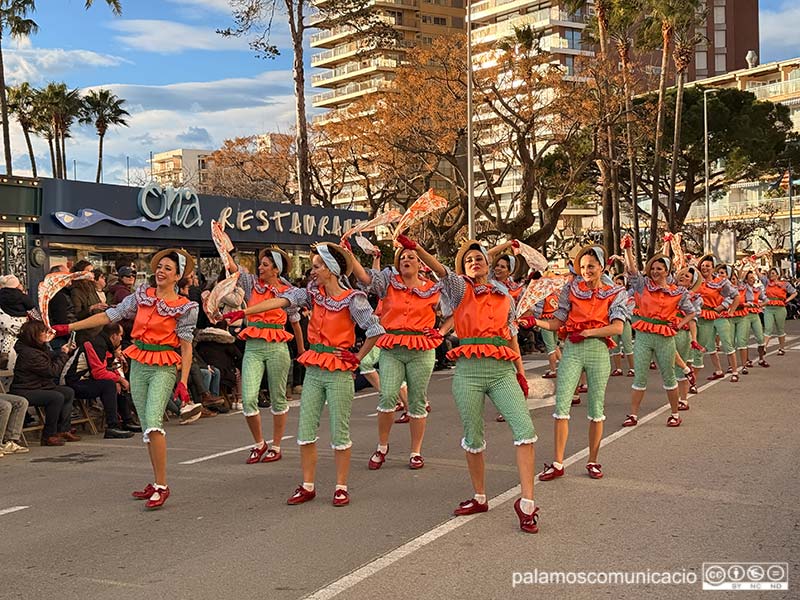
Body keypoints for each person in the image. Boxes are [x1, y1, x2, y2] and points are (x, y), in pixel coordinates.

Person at [227, 242, 384, 507]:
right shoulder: (312, 294)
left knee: (339, 431)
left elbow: (375, 329)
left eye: (317, 266)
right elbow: (283, 300)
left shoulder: (352, 299)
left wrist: (357, 358)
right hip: (314, 368)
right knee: (306, 430)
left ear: (331, 269)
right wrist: (245, 311)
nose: (313, 271)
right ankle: (308, 485)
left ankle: (341, 487)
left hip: (338, 369)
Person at [412, 236, 540, 534]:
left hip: (502, 371)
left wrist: (521, 373)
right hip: (468, 372)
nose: (473, 262)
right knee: (473, 436)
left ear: (488, 263)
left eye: (478, 258)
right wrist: (417, 248)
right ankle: (480, 496)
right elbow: (441, 271)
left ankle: (527, 504)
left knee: (525, 432)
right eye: (468, 260)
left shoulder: (505, 296)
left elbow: (511, 337)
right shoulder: (459, 289)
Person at [54, 248, 200, 510]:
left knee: (153, 422)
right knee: (146, 426)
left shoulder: (186, 307)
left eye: (168, 268)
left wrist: (184, 381)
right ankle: (156, 482)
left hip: (164, 366)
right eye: (159, 266)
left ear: (178, 276)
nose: (161, 271)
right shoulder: (142, 295)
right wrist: (69, 327)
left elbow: (186, 347)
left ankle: (162, 486)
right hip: (139, 363)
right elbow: (109, 315)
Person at [529, 245, 627, 482]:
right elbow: (557, 322)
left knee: (596, 409)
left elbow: (617, 327)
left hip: (598, 351)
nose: (586, 271)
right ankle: (557, 463)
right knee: (561, 405)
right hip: (572, 350)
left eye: (591, 266)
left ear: (601, 267)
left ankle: (593, 460)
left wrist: (588, 333)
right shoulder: (571, 289)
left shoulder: (615, 292)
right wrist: (535, 322)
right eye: (582, 267)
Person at [349, 244, 448, 471]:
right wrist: (349, 255)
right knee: (387, 396)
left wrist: (441, 332)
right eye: (402, 257)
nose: (406, 260)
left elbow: (455, 309)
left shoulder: (433, 289)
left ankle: (416, 452)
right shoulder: (388, 283)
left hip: (421, 349)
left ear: (420, 263)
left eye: (411, 256)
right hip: (392, 348)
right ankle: (382, 447)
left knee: (417, 400)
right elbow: (364, 277)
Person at [218, 247, 303, 464]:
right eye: (261, 264)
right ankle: (259, 443)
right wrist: (221, 242)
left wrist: (302, 351)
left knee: (278, 398)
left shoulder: (288, 291)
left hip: (278, 347)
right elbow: (232, 267)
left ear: (276, 269)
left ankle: (276, 445)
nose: (260, 268)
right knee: (248, 399)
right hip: (253, 346)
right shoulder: (250, 284)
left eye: (265, 265)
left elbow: (295, 322)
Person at [619, 246, 697, 429]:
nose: (655, 271)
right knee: (639, 377)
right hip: (644, 336)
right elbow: (632, 271)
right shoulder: (643, 285)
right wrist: (628, 249)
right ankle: (633, 415)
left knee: (669, 376)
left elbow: (691, 312)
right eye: (652, 268)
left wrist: (678, 324)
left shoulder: (678, 292)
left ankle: (675, 414)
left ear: (667, 272)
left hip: (665, 337)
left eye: (659, 269)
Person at [62, 322, 140, 439]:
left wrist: (118, 379)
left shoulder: (104, 344)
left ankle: (127, 421)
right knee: (109, 385)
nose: (121, 339)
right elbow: (98, 372)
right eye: (120, 335)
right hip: (73, 381)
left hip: (87, 379)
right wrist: (119, 379)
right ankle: (112, 426)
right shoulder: (95, 344)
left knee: (115, 382)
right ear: (113, 336)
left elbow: (108, 368)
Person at [10, 320, 79, 446]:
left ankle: (63, 429)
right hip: (25, 389)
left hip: (38, 386)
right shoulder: (29, 353)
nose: (46, 334)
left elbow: (50, 355)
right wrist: (63, 355)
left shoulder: (37, 348)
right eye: (43, 332)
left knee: (68, 392)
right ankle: (48, 435)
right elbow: (52, 371)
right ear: (34, 335)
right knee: (55, 397)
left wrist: (63, 351)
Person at [693, 255, 739, 381]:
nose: (704, 268)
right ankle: (718, 370)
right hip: (702, 316)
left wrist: (726, 308)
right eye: (702, 265)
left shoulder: (720, 282)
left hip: (719, 316)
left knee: (727, 343)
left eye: (707, 266)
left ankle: (735, 372)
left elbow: (735, 295)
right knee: (709, 346)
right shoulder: (697, 281)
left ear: (713, 268)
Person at [762, 267, 797, 356]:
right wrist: (754, 267)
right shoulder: (767, 282)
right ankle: (764, 347)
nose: (771, 275)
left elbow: (794, 292)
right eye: (770, 273)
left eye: (773, 273)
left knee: (780, 329)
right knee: (768, 328)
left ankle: (782, 348)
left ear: (778, 275)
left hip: (780, 308)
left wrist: (787, 300)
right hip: (769, 307)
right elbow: (760, 276)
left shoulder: (784, 284)